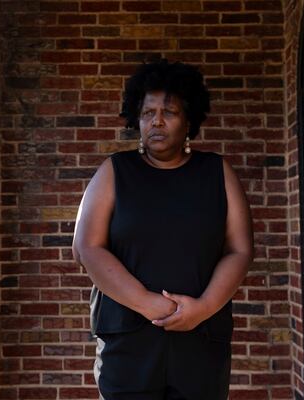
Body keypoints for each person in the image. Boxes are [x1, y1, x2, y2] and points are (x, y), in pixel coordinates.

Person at [72, 59, 254, 400]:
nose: (156, 120)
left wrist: (204, 307)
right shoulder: (115, 172)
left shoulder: (217, 173)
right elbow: (86, 248)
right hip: (128, 338)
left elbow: (240, 250)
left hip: (201, 338)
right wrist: (145, 303)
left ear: (189, 121)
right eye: (147, 112)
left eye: (169, 112)